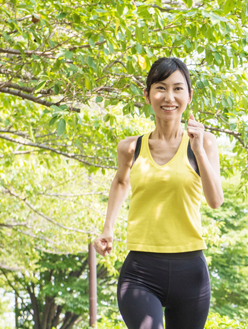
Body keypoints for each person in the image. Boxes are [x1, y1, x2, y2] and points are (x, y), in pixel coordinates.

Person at [93, 57, 224, 329]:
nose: (169, 97)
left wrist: (198, 149)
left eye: (178, 88)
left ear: (189, 94)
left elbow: (215, 201)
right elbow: (120, 182)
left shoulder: (204, 143)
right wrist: (108, 229)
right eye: (160, 88)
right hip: (141, 270)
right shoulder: (130, 148)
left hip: (191, 271)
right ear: (148, 95)